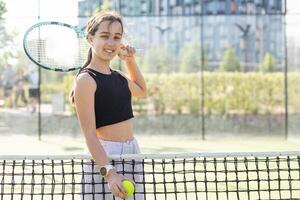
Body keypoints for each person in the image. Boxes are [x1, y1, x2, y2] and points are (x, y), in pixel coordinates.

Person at [70, 11, 147, 200]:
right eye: (104, 36)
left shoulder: (119, 76)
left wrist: (130, 61)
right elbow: (89, 135)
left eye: (117, 37)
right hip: (104, 158)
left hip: (132, 153)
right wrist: (109, 172)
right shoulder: (86, 80)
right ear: (90, 38)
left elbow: (141, 91)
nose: (111, 43)